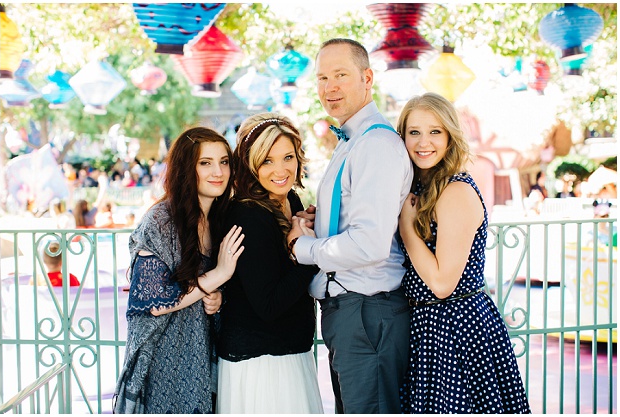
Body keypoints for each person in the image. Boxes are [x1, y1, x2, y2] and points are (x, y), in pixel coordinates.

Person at [289, 38, 413, 413]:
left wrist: (302, 248)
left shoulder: (374, 145)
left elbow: (369, 245)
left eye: (341, 75)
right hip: (352, 314)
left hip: (367, 312)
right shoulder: (352, 140)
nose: (330, 87)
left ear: (367, 77)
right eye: (323, 77)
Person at [395, 93, 531, 413]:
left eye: (435, 131)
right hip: (427, 326)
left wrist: (406, 227)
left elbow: (443, 283)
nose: (423, 142)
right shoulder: (420, 188)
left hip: (456, 328)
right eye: (414, 132)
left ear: (450, 136)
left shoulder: (455, 191)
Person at [114, 127, 244, 414]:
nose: (218, 171)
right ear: (187, 167)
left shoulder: (221, 219)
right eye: (205, 163)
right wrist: (217, 275)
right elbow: (154, 302)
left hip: (203, 352)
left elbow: (209, 286)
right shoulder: (161, 221)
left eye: (224, 161)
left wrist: (217, 296)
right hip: (164, 358)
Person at [217, 113, 323, 413]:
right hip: (261, 364)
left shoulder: (291, 200)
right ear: (251, 165)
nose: (281, 169)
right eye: (267, 160)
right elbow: (268, 304)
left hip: (289, 350)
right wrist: (306, 251)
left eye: (288, 157)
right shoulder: (248, 215)